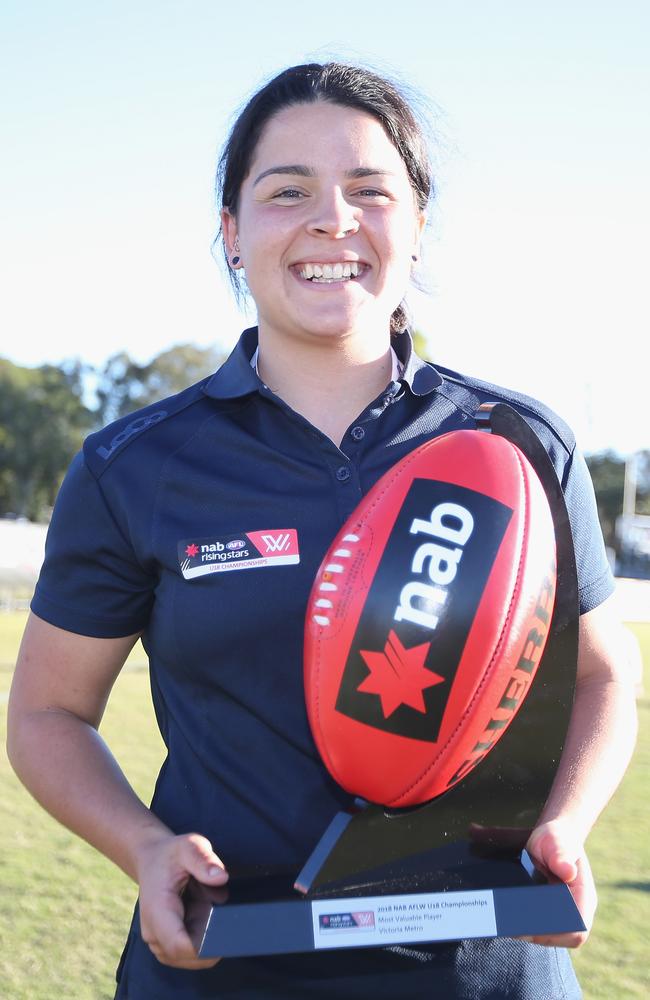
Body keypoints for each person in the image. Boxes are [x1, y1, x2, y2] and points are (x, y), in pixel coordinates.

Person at [7, 62, 637, 999]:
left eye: (370, 191)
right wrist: (143, 845)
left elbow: (602, 672)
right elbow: (47, 715)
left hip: (489, 967)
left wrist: (569, 821)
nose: (332, 220)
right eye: (287, 191)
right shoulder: (134, 463)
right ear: (231, 232)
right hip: (226, 964)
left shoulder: (520, 442)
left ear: (417, 227)